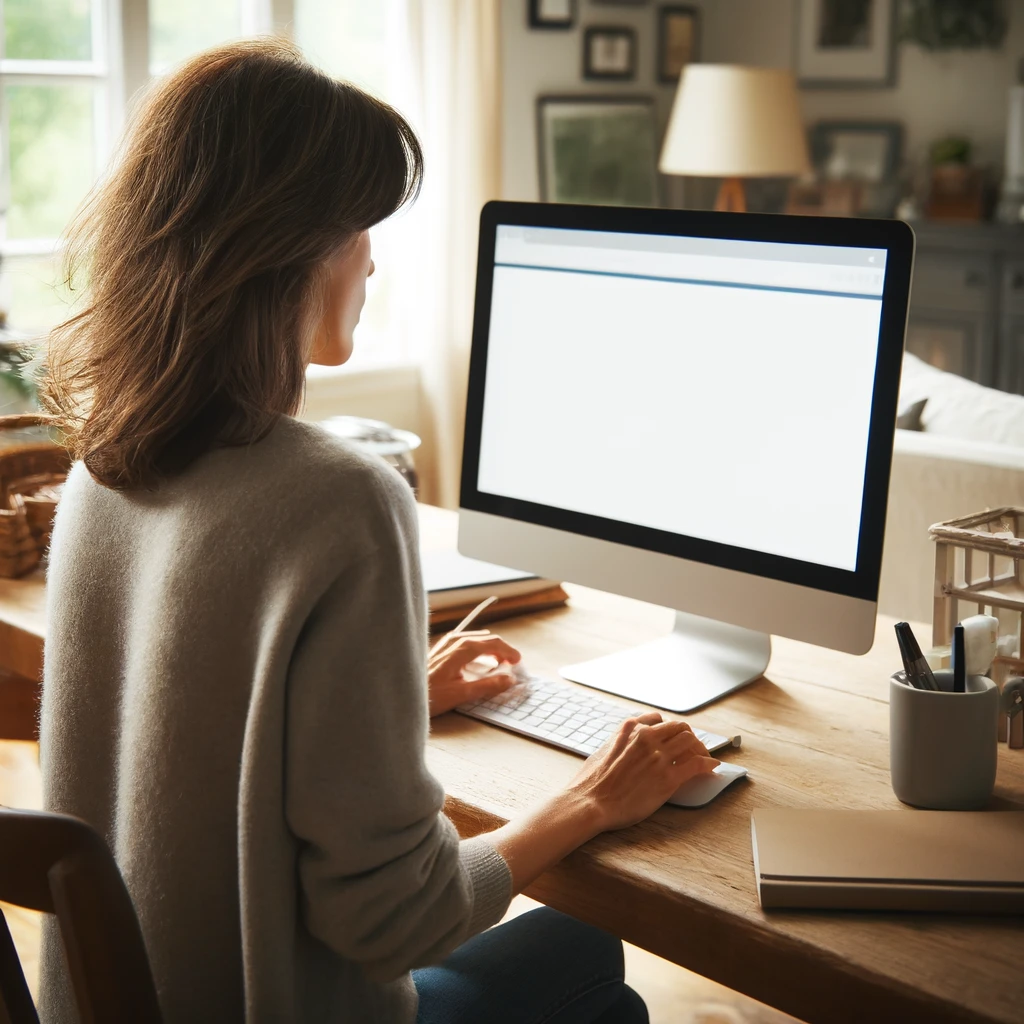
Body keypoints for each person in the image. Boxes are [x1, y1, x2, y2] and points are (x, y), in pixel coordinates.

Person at [38, 39, 719, 1024]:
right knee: (589, 955)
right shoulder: (339, 500)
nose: (370, 256)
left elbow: (187, 737)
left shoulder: (103, 471)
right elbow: (400, 921)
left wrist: (394, 694)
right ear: (290, 248)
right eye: (360, 226)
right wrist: (595, 799)